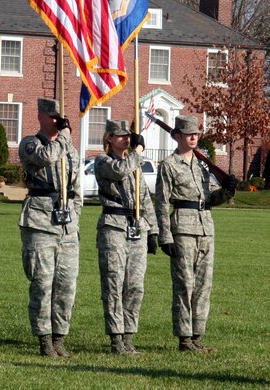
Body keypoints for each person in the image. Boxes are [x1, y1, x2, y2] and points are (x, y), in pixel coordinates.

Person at [155, 115, 237, 352]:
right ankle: (184, 338)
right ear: (177, 136)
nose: (193, 137)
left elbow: (212, 197)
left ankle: (197, 335)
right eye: (188, 133)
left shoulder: (202, 165)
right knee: (184, 285)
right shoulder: (169, 165)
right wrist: (165, 236)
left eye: (196, 134)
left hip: (205, 228)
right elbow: (161, 203)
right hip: (182, 229)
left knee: (203, 286)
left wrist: (227, 191)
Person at [18, 98, 81, 358]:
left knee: (66, 284)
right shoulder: (30, 144)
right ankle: (44, 338)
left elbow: (76, 187)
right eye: (53, 116)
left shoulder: (71, 150)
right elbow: (47, 157)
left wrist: (75, 216)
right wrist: (63, 138)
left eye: (60, 117)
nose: (58, 121)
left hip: (66, 225)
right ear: (41, 116)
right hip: (40, 221)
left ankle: (59, 336)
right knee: (43, 283)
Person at [94, 119, 159, 355]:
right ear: (110, 138)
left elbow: (145, 199)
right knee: (114, 283)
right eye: (120, 136)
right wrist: (139, 152)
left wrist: (153, 230)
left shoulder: (135, 164)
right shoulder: (103, 161)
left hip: (136, 227)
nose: (126, 139)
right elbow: (119, 171)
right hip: (113, 226)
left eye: (128, 136)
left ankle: (129, 336)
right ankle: (116, 338)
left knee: (135, 285)